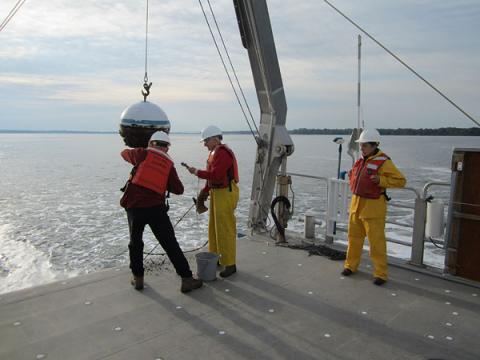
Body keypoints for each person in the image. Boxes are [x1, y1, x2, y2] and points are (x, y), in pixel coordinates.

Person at [120, 131, 203, 293]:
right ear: (167, 147)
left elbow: (124, 153)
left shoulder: (141, 154)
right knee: (170, 244)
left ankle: (138, 279)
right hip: (156, 210)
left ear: (151, 143)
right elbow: (179, 189)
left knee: (135, 243)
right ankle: (186, 279)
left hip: (134, 208)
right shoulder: (168, 165)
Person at [342, 129, 406, 286]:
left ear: (374, 145)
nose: (361, 148)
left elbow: (401, 180)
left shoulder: (384, 162)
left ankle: (381, 274)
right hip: (356, 206)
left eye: (364, 146)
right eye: (361, 145)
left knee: (376, 243)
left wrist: (381, 180)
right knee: (353, 239)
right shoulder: (361, 160)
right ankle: (350, 265)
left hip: (373, 209)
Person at [186, 125, 240, 278]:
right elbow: (212, 178)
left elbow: (215, 175)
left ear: (215, 139)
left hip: (226, 193)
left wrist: (197, 172)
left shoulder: (223, 153)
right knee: (214, 229)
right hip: (218, 193)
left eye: (206, 141)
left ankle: (230, 264)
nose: (204, 144)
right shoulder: (214, 152)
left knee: (225, 229)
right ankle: (216, 258)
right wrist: (204, 192)